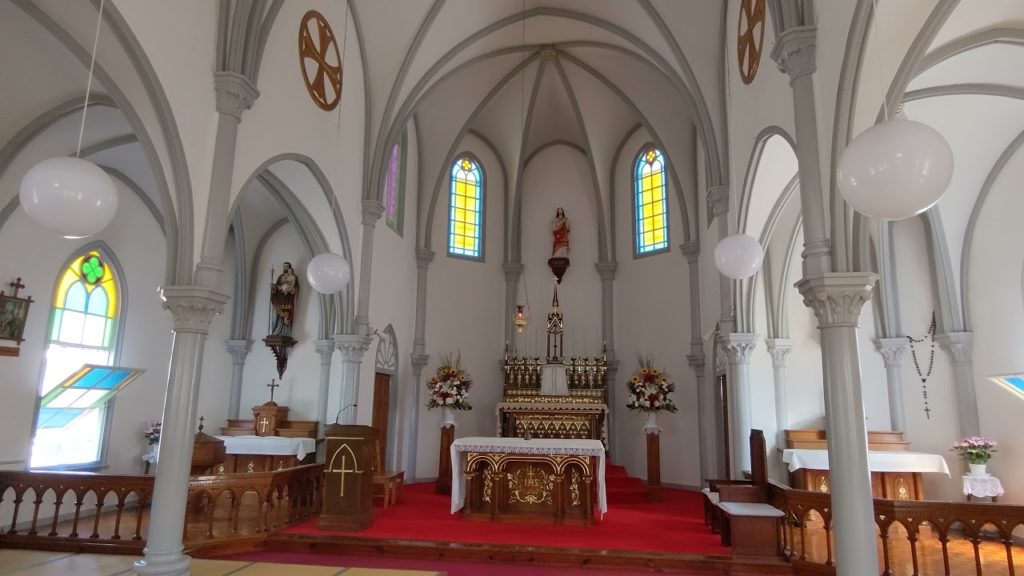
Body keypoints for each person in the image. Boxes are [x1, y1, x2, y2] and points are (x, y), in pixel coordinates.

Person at [270, 262, 299, 336]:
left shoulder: (293, 277)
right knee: (276, 314)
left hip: (287, 300)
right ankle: (276, 330)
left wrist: (289, 289)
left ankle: (284, 331)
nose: (285, 268)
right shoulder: (280, 277)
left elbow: (295, 288)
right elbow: (277, 287)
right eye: (284, 266)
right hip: (279, 298)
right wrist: (273, 286)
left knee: (286, 314)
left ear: (289, 268)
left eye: (286, 267)